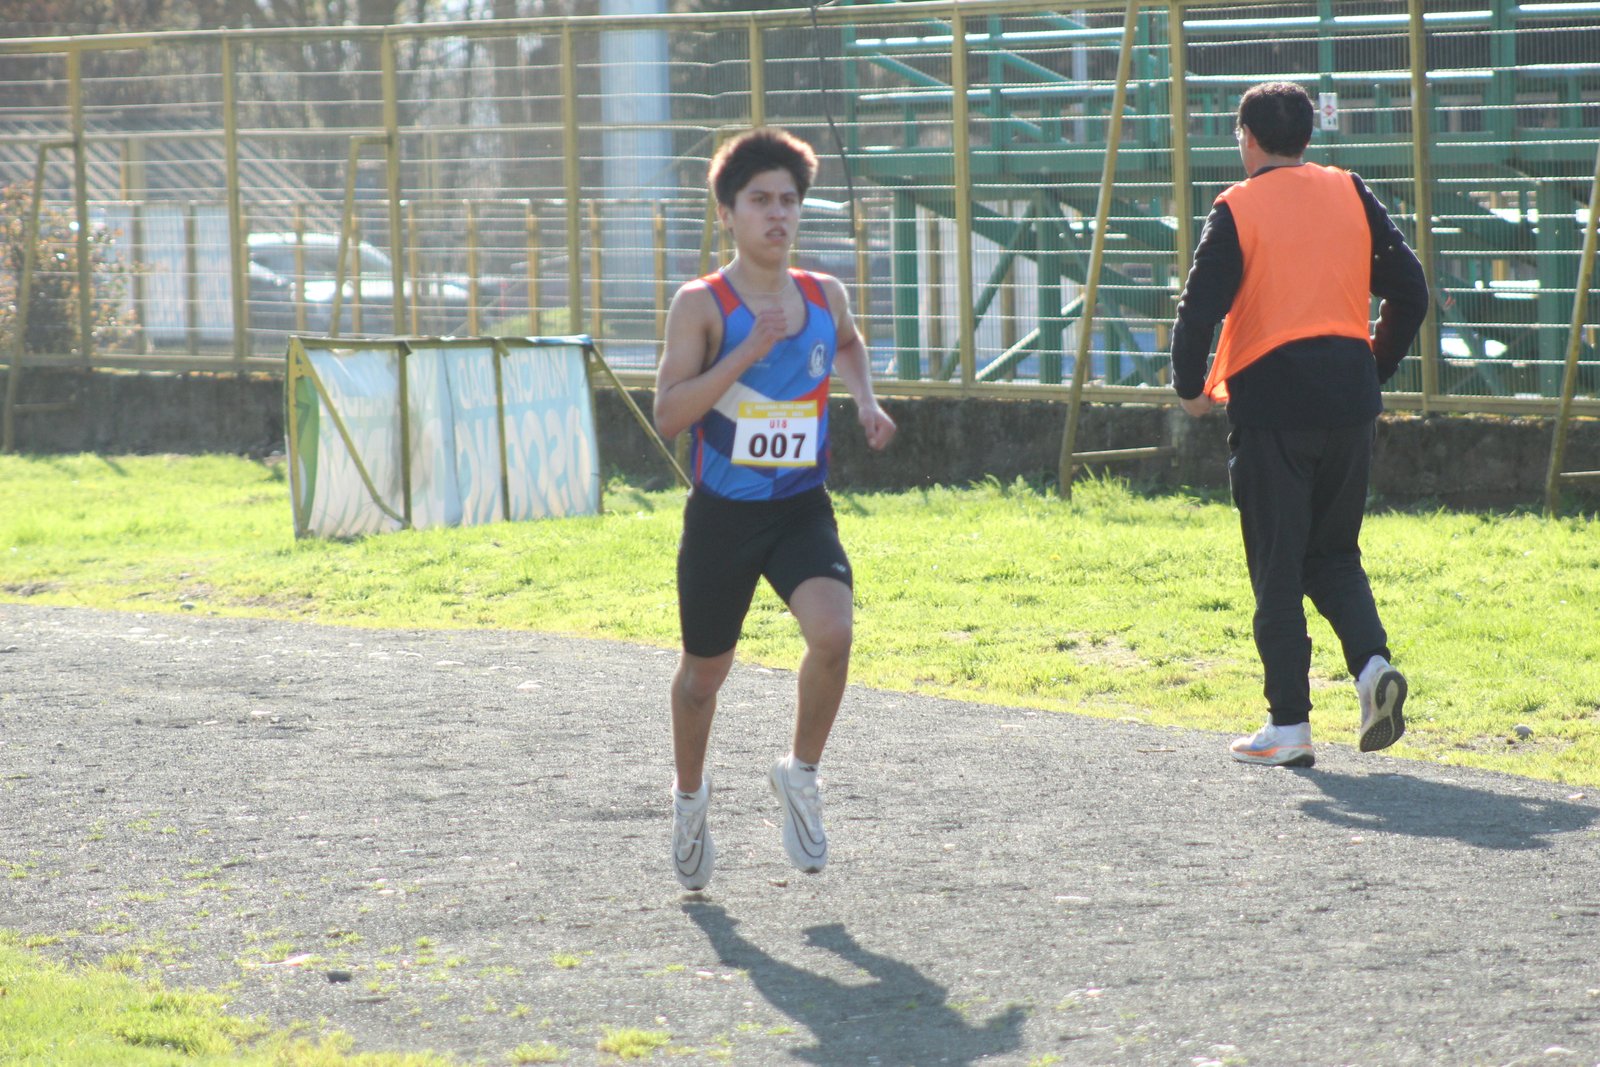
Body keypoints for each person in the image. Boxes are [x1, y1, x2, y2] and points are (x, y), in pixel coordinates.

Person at [653, 128, 896, 890]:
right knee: (702, 678)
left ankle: (799, 773)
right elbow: (667, 415)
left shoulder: (824, 294)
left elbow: (849, 345)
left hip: (799, 505)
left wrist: (864, 400)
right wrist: (746, 352)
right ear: (727, 213)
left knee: (835, 632)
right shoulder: (702, 304)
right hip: (724, 515)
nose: (777, 214)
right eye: (759, 200)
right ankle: (690, 800)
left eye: (789, 200)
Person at [1169, 81, 1429, 768]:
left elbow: (1198, 312)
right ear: (1308, 137)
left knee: (1278, 567)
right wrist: (1374, 367)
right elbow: (1412, 290)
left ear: (1247, 138)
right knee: (1333, 554)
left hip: (1274, 405)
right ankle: (1374, 670)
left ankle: (1289, 725)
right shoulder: (1350, 190)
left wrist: (1189, 387)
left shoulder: (1239, 207)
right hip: (1349, 400)